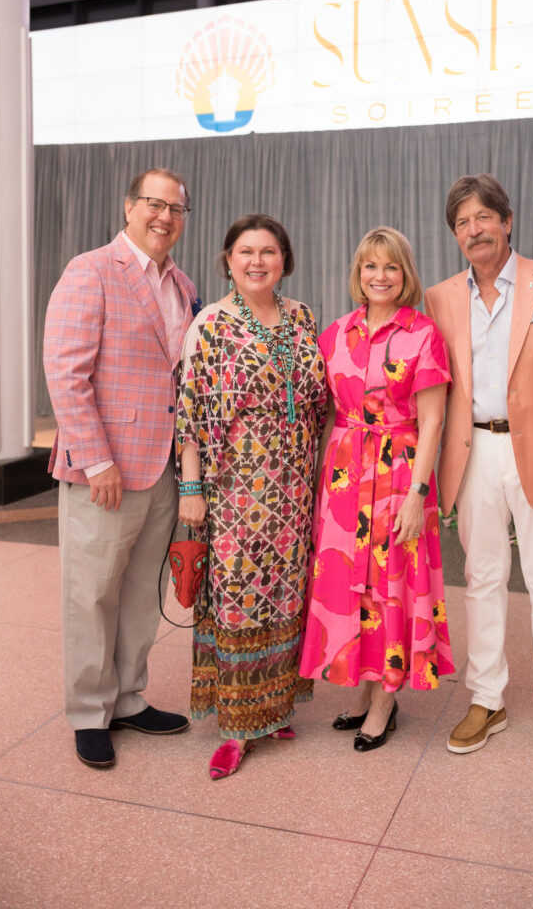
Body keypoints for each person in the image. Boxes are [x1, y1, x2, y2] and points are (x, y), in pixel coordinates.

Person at [425, 173, 533, 768]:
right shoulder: (441, 297)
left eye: (483, 217)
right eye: (461, 223)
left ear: (506, 220)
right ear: (455, 235)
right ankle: (487, 699)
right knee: (481, 580)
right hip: (472, 453)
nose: (473, 230)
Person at [43, 168, 199, 769]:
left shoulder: (181, 284)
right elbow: (66, 372)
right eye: (154, 205)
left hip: (162, 467)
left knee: (142, 592)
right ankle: (88, 712)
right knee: (92, 594)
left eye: (176, 209)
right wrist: (97, 457)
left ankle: (129, 697)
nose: (164, 217)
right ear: (129, 207)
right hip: (103, 471)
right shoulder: (91, 270)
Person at [176, 213, 326, 780]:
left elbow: (320, 401)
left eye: (268, 251)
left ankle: (275, 709)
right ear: (228, 260)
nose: (257, 261)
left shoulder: (303, 318)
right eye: (245, 252)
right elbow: (190, 410)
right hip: (236, 487)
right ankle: (237, 728)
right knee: (239, 600)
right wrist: (191, 488)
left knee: (287, 597)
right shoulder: (210, 324)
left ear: (284, 259)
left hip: (294, 487)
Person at [300, 227, 454, 751]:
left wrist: (417, 494)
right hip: (345, 477)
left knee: (393, 584)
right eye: (370, 266)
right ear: (358, 274)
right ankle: (365, 690)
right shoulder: (337, 332)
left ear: (405, 274)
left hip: (398, 476)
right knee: (354, 584)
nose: (379, 276)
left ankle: (386, 700)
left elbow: (432, 423)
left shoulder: (423, 333)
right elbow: (325, 415)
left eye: (390, 267)